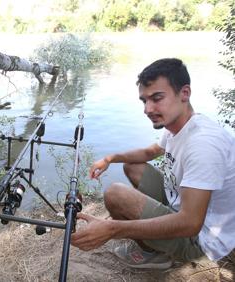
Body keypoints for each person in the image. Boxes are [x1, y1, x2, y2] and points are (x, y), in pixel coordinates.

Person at [71, 58, 235, 269]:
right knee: (132, 166)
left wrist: (112, 228)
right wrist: (110, 158)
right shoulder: (180, 125)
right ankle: (155, 241)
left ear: (185, 93)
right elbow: (151, 152)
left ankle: (156, 256)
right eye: (144, 101)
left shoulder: (204, 144)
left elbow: (191, 223)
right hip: (183, 206)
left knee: (115, 194)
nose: (148, 109)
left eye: (157, 98)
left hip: (200, 238)